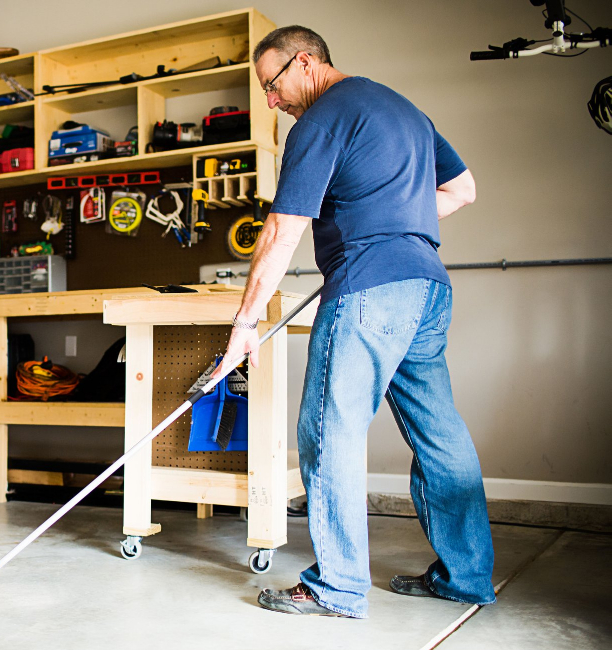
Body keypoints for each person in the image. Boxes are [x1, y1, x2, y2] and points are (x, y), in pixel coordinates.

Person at [217, 25, 496, 619]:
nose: (271, 101)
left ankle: (337, 586)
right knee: (440, 436)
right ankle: (468, 576)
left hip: (371, 289)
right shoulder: (404, 110)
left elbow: (282, 229)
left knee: (329, 430)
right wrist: (391, 224)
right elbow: (462, 189)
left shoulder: (320, 119)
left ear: (305, 60)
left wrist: (244, 323)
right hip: (427, 286)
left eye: (272, 85)